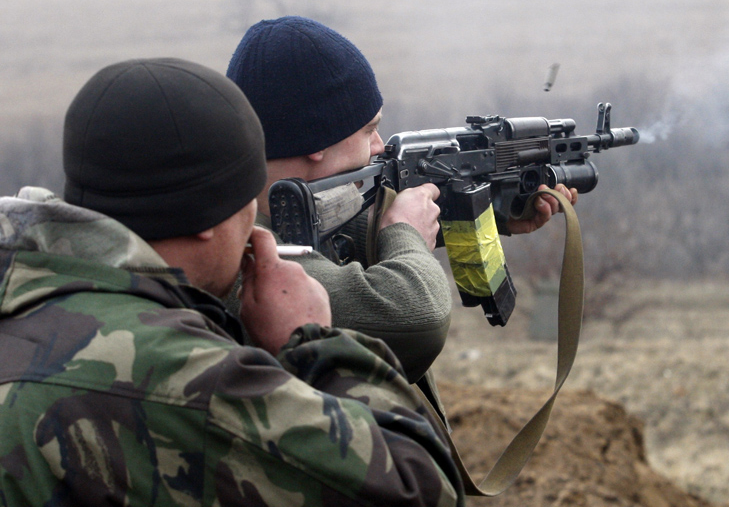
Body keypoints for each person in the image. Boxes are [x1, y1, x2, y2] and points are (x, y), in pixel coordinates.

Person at [0, 58, 463, 506]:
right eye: (248, 204)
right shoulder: (185, 378)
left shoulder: (22, 292)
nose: (257, 230)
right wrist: (314, 342)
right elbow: (420, 488)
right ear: (207, 216)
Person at [226, 16, 577, 383]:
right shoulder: (254, 258)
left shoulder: (280, 212)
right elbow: (416, 319)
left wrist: (496, 210)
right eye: (370, 130)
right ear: (317, 142)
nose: (378, 146)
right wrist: (405, 232)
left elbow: (358, 233)